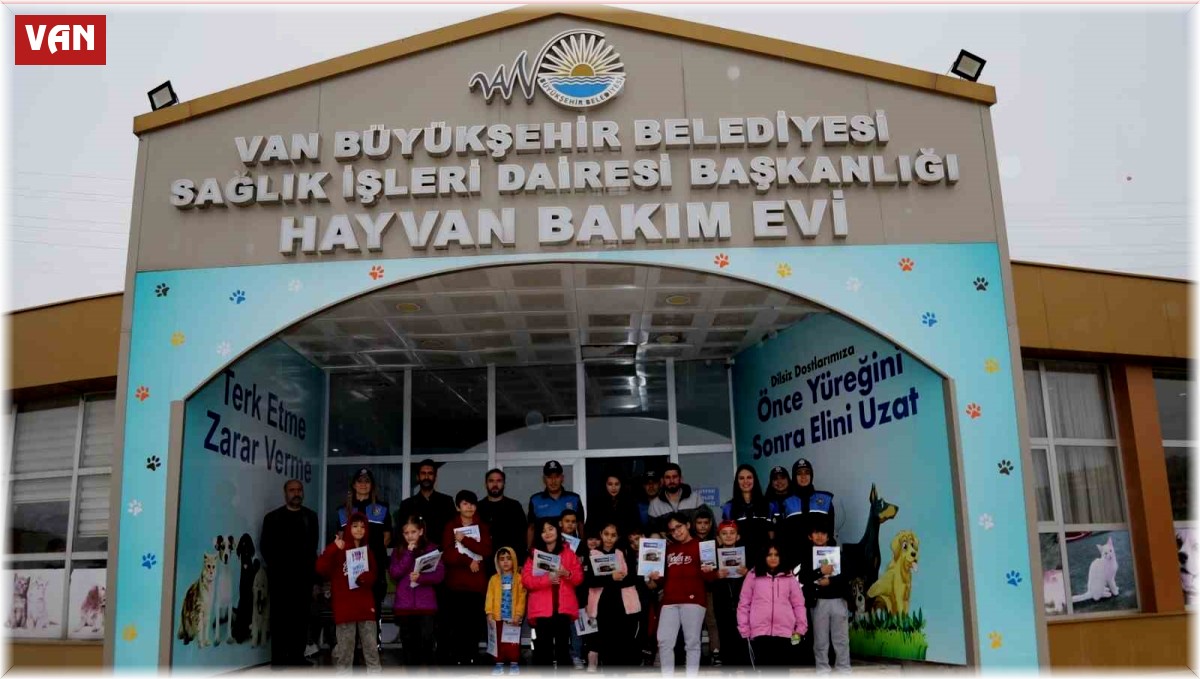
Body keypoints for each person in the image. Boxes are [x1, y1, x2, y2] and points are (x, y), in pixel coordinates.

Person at [645, 512, 718, 677]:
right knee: (664, 641)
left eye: (679, 527)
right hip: (669, 601)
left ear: (688, 525)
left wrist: (709, 572)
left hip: (693, 600)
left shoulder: (703, 546)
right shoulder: (669, 549)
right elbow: (662, 579)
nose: (676, 532)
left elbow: (710, 578)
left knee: (692, 643)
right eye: (672, 530)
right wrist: (654, 576)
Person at [259, 479, 319, 668]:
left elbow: (312, 550)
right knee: (279, 620)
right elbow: (265, 547)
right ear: (285, 493)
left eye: (299, 490)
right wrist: (278, 569)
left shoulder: (311, 517)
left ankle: (297, 658)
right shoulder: (272, 518)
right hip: (280, 579)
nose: (296, 493)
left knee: (300, 619)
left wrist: (313, 579)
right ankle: (278, 660)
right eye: (292, 490)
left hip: (303, 579)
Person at [316, 512, 381, 674]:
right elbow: (320, 568)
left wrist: (365, 578)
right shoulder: (339, 548)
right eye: (355, 526)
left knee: (371, 650)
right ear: (348, 528)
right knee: (345, 653)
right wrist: (333, 548)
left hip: (365, 607)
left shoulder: (368, 551)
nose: (359, 529)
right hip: (345, 607)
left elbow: (374, 575)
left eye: (363, 527)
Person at [440, 489, 493, 666]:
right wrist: (467, 561)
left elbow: (486, 550)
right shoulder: (450, 526)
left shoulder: (482, 526)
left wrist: (465, 540)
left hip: (476, 584)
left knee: (474, 624)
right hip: (456, 584)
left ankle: (472, 657)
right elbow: (447, 554)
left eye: (472, 504)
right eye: (465, 503)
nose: (469, 507)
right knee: (457, 624)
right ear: (458, 507)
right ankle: (458, 658)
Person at [523, 517, 584, 668]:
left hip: (563, 610)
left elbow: (579, 578)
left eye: (550, 529)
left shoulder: (569, 553)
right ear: (539, 535)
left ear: (558, 530)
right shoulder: (533, 555)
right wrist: (547, 579)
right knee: (544, 650)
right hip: (542, 611)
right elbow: (526, 580)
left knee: (563, 650)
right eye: (543, 531)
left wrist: (567, 573)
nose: (548, 533)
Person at [736, 541, 807, 668]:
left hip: (785, 633)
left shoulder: (789, 577)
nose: (773, 558)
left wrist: (800, 628)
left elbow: (799, 605)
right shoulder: (753, 575)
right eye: (769, 555)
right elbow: (744, 604)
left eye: (776, 555)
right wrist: (744, 628)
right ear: (763, 557)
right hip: (759, 633)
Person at [339, 468, 393, 631]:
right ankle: (353, 643)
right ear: (354, 485)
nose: (363, 484)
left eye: (367, 481)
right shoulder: (343, 510)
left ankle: (373, 643)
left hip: (375, 566)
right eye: (360, 481)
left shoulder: (382, 508)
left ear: (372, 485)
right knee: (351, 609)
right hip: (350, 568)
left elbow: (387, 537)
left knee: (373, 608)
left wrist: (370, 557)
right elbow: (340, 537)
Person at [389, 515, 444, 668]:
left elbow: (439, 575)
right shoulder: (398, 551)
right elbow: (394, 573)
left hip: (425, 604)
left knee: (427, 642)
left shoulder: (432, 549)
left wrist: (421, 578)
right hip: (405, 605)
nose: (410, 536)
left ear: (421, 531)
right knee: (408, 645)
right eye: (406, 533)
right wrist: (408, 554)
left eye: (413, 532)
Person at [585, 521, 642, 668]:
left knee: (623, 642)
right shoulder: (592, 554)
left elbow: (633, 578)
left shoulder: (624, 552)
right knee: (605, 643)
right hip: (602, 605)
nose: (609, 538)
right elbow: (591, 581)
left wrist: (613, 579)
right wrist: (611, 577)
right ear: (601, 534)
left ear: (618, 537)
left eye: (613, 535)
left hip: (622, 605)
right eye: (606, 534)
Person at [801, 517, 850, 674]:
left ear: (828, 536)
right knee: (820, 641)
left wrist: (831, 581)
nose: (820, 536)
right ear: (810, 536)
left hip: (838, 600)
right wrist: (819, 571)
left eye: (823, 533)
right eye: (816, 533)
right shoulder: (807, 556)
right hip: (819, 602)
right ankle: (822, 671)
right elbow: (803, 578)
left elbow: (847, 576)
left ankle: (844, 670)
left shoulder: (838, 554)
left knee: (841, 639)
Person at [780, 458, 836, 569]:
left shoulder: (825, 499)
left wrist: (830, 560)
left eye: (807, 472)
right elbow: (784, 536)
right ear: (794, 477)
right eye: (799, 473)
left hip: (821, 559)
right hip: (795, 560)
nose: (803, 476)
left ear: (811, 475)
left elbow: (830, 533)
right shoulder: (786, 502)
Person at [710, 520, 749, 668]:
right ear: (718, 537)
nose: (728, 536)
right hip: (722, 602)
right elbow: (705, 578)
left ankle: (744, 666)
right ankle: (728, 668)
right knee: (725, 633)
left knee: (742, 634)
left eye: (732, 533)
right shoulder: (712, 557)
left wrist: (747, 573)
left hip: (742, 603)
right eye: (724, 533)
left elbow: (757, 579)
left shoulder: (747, 555)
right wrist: (715, 575)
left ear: (738, 536)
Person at [397, 459, 457, 550]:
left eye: (430, 473)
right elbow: (400, 533)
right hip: (415, 554)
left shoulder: (446, 501)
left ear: (435, 477)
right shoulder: (407, 504)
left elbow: (453, 530)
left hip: (442, 553)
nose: (426, 477)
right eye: (423, 473)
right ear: (418, 476)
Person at [485, 546, 527, 676]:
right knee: (498, 643)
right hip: (498, 617)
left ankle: (514, 664)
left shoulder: (519, 579)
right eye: (502, 559)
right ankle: (499, 664)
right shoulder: (494, 579)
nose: (505, 562)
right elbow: (489, 597)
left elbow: (522, 598)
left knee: (513, 643)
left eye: (509, 558)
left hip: (513, 618)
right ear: (497, 562)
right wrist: (489, 612)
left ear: (514, 560)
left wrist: (518, 614)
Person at [478, 468, 529, 571]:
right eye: (491, 481)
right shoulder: (478, 508)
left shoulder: (514, 506)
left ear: (504, 484)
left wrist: (521, 561)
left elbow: (522, 536)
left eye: (499, 481)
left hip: (510, 562)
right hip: (484, 564)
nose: (495, 484)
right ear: (486, 484)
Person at [721, 464, 773, 564]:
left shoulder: (768, 505)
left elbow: (771, 536)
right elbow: (726, 537)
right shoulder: (729, 507)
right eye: (741, 478)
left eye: (749, 477)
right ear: (737, 482)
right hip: (740, 562)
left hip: (764, 561)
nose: (745, 481)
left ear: (755, 480)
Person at [526, 460, 585, 548]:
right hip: (543, 551)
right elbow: (531, 528)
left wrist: (583, 548)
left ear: (562, 478)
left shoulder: (574, 499)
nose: (553, 481)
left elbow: (580, 525)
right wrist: (528, 550)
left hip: (569, 550)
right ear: (544, 479)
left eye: (557, 477)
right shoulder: (535, 500)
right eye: (549, 477)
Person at [690, 505, 721, 666]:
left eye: (706, 523)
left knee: (711, 621)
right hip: (693, 588)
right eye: (699, 523)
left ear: (710, 524)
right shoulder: (689, 542)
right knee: (693, 623)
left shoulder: (716, 542)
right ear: (693, 524)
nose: (702, 526)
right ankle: (693, 654)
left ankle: (715, 652)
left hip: (709, 588)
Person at [647, 464, 704, 537]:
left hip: (693, 542)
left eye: (674, 477)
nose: (671, 481)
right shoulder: (655, 505)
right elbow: (652, 531)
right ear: (662, 480)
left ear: (681, 479)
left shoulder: (695, 498)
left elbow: (708, 523)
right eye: (667, 477)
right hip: (668, 543)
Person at [590, 471, 642, 539]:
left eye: (617, 484)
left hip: (624, 541)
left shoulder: (630, 502)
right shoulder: (596, 502)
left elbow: (635, 525)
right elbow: (592, 526)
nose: (613, 488)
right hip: (603, 541)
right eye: (610, 484)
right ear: (605, 484)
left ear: (621, 485)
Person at [763, 466, 792, 537]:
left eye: (782, 478)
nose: (779, 481)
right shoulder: (765, 503)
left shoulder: (797, 500)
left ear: (788, 480)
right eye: (775, 479)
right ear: (771, 483)